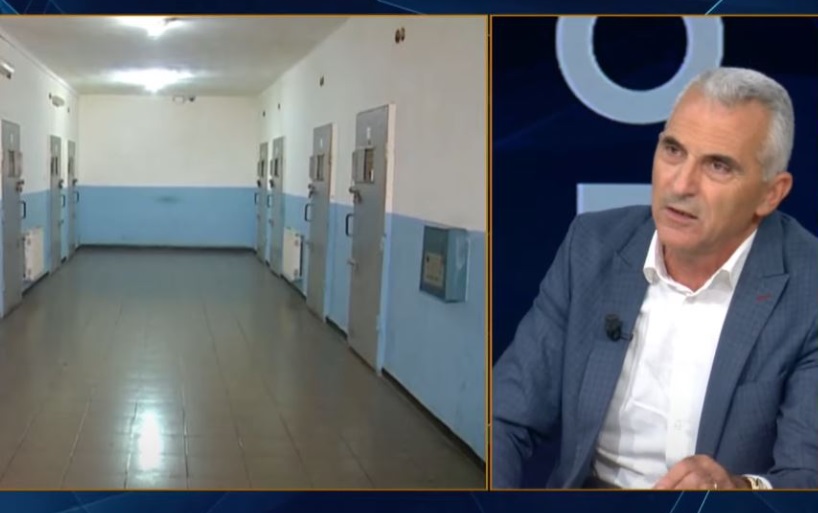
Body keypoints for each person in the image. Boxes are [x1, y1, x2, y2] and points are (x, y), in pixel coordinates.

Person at [492, 67, 818, 490]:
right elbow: (504, 417)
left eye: (718, 166)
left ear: (770, 193)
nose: (680, 184)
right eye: (673, 150)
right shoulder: (591, 246)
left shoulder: (808, 287)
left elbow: (806, 475)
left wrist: (740, 489)